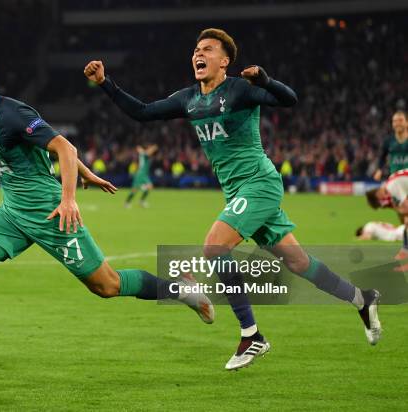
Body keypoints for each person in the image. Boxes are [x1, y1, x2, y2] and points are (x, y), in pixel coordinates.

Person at [84, 28, 382, 371]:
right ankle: (363, 299)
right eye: (196, 49)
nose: (199, 53)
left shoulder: (239, 90)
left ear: (224, 62)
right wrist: (106, 83)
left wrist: (266, 81)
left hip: (259, 184)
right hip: (239, 192)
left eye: (208, 49)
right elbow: (143, 111)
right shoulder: (188, 99)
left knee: (214, 247)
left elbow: (290, 100)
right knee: (299, 263)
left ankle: (251, 335)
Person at [0, 59, 214, 385]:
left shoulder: (13, 114)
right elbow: (48, 155)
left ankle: (183, 291)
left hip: (49, 215)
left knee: (107, 286)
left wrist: (68, 198)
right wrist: (88, 174)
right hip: (12, 215)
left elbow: (64, 148)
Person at [366, 169, 408, 267]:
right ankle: (405, 250)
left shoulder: (391, 187)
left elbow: (406, 206)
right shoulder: (390, 184)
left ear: (378, 196)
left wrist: (400, 210)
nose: (382, 203)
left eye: (380, 203)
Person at [373, 110, 408, 181]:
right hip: (394, 180)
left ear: (407, 123)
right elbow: (382, 157)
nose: (397, 123)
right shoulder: (388, 141)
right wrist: (379, 170)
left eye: (400, 120)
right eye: (394, 121)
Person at [125, 144, 158, 208]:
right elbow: (142, 150)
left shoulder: (146, 155)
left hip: (144, 175)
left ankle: (141, 201)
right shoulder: (144, 154)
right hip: (140, 174)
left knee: (150, 186)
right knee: (134, 190)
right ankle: (127, 202)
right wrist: (153, 148)